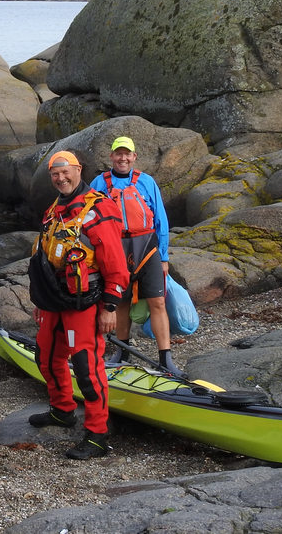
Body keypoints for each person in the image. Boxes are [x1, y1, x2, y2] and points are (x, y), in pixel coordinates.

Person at [27, 150, 128, 460]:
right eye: (55, 174)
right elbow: (44, 258)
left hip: (85, 303)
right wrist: (40, 302)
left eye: (65, 171)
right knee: (46, 356)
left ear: (78, 170)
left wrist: (110, 307)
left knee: (86, 368)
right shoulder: (53, 211)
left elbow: (117, 265)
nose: (61, 178)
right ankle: (62, 410)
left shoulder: (99, 209)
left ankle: (98, 435)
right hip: (54, 301)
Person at [89, 136, 183, 377]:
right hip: (116, 248)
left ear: (134, 157)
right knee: (120, 302)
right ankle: (122, 353)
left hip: (147, 247)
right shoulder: (99, 183)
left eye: (127, 154)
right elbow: (89, 219)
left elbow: (161, 219)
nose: (122, 158)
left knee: (158, 302)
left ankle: (165, 359)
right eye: (118, 153)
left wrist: (163, 257)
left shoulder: (147, 182)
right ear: (111, 156)